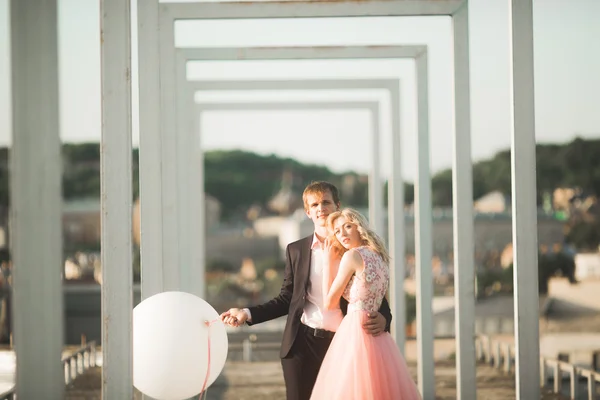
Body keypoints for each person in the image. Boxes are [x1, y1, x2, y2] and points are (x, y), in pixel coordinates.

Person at [220, 181, 393, 400]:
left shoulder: (353, 249)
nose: (321, 208)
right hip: (302, 343)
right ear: (307, 212)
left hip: (343, 343)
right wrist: (247, 313)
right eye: (315, 204)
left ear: (337, 206)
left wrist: (385, 318)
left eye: (326, 202)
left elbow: (374, 293)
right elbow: (286, 298)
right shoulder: (296, 250)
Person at [309, 208, 421, 400]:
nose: (342, 234)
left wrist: (328, 263)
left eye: (347, 227)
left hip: (356, 329)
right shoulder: (379, 257)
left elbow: (329, 302)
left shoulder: (352, 256)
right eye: (337, 231)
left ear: (359, 228)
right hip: (378, 336)